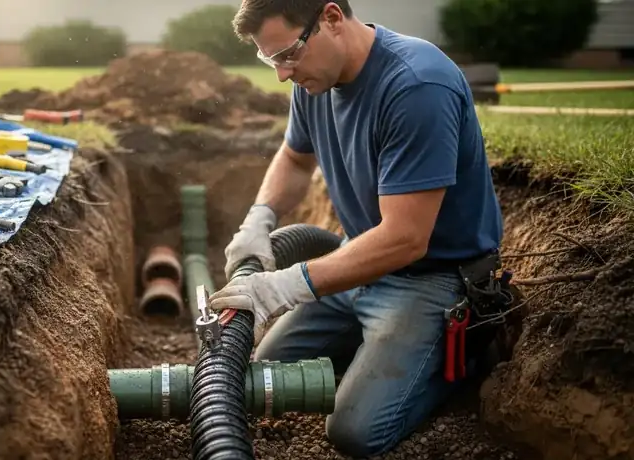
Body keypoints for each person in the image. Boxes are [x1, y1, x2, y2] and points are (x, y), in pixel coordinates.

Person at [207, 0, 505, 457]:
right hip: (363, 263)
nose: (282, 74)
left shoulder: (416, 86)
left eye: (287, 54)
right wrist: (259, 218)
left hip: (431, 278)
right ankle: (377, 357)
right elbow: (294, 157)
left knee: (354, 431)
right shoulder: (314, 78)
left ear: (330, 18)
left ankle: (461, 360)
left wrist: (284, 286)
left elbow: (406, 238)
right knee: (266, 371)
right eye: (271, 59)